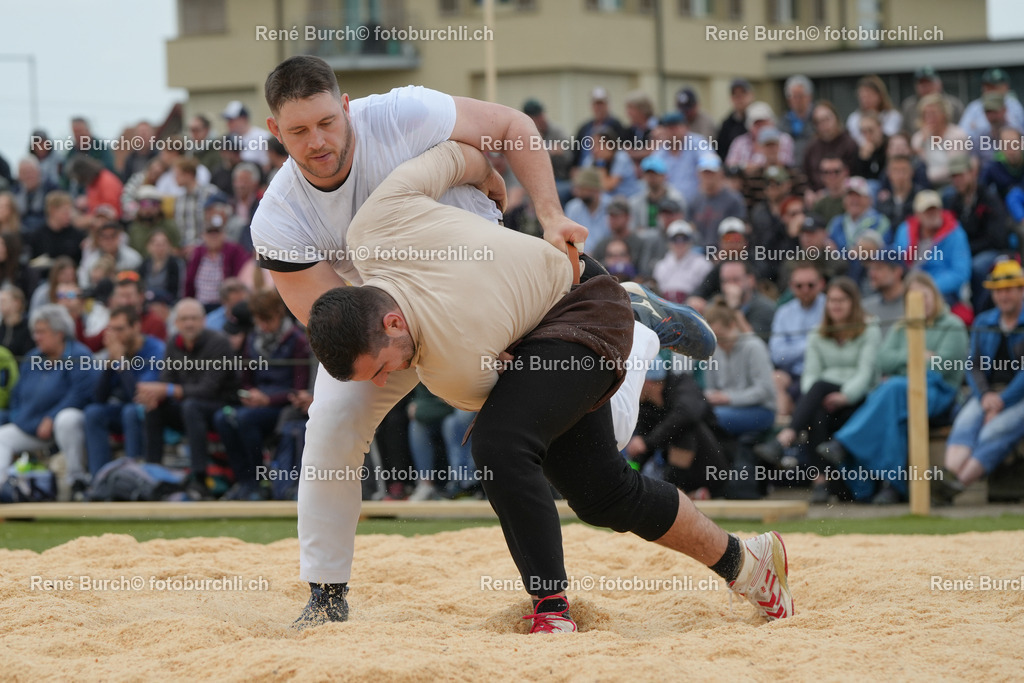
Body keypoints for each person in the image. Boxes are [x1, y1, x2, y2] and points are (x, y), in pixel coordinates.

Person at [248, 56, 693, 626]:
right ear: (274, 132)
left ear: (347, 108)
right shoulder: (280, 219)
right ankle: (326, 595)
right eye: (298, 131)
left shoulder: (402, 114)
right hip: (387, 329)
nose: (317, 141)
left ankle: (632, 329)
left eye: (327, 123)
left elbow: (511, 127)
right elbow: (336, 321)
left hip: (489, 296)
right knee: (332, 424)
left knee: (597, 439)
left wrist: (550, 214)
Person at [304, 140, 790, 631]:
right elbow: (455, 156)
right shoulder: (371, 224)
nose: (389, 380)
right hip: (539, 320)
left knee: (499, 446)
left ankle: (551, 609)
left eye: (382, 368)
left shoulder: (449, 365)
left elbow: (505, 413)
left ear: (390, 323)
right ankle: (747, 563)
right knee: (603, 494)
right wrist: (489, 179)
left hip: (584, 304)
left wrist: (516, 205)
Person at [818, 272, 968, 504]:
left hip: (939, 393)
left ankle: (844, 444)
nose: (921, 301)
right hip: (900, 393)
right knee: (895, 415)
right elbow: (883, 360)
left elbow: (944, 365)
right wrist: (919, 356)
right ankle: (891, 487)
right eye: (913, 296)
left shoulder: (953, 326)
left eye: (924, 295)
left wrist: (907, 362)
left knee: (893, 388)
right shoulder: (901, 327)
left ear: (934, 296)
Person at [754, 277, 881, 503]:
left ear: (853, 303)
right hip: (824, 398)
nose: (836, 305)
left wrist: (845, 396)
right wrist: (821, 396)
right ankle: (823, 482)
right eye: (832, 300)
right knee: (817, 411)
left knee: (819, 388)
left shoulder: (869, 328)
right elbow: (810, 374)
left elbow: (866, 373)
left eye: (842, 300)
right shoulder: (817, 332)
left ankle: (785, 438)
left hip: (859, 396)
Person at [938, 260, 1024, 502]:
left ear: (1021, 291)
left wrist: (1002, 401)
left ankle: (956, 486)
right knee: (965, 422)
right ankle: (948, 478)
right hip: (987, 394)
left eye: (1009, 289)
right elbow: (972, 366)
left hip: (1016, 396)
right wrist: (985, 397)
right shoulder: (984, 321)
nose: (1003, 295)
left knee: (996, 430)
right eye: (998, 290)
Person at [214, 289, 310, 501]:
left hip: (282, 406)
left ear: (279, 313)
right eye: (260, 320)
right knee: (223, 418)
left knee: (244, 420)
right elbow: (246, 380)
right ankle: (245, 481)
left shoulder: (298, 341)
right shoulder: (252, 339)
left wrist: (268, 399)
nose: (264, 326)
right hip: (256, 402)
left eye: (268, 320)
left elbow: (298, 388)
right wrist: (248, 394)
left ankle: (259, 482)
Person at [138, 298, 239, 498]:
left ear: (203, 321)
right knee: (154, 407)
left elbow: (209, 389)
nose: (189, 324)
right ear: (176, 323)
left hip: (220, 405)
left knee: (191, 406)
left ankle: (199, 478)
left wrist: (167, 391)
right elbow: (166, 380)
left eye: (193, 319)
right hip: (189, 408)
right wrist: (155, 396)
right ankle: (153, 473)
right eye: (184, 319)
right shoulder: (173, 343)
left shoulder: (219, 342)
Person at [0, 304, 96, 498]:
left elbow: (81, 394)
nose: (36, 337)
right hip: (32, 425)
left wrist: (51, 417)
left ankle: (77, 482)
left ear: (59, 333)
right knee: (3, 436)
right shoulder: (33, 357)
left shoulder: (80, 355)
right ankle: (3, 490)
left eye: (42, 332)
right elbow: (17, 395)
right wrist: (20, 417)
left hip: (67, 424)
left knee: (66, 419)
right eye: (35, 332)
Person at [83, 305, 165, 475]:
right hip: (123, 410)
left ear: (136, 327)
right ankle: (99, 478)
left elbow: (139, 396)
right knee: (93, 412)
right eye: (111, 330)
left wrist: (120, 362)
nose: (114, 336)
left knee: (131, 411)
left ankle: (133, 476)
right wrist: (108, 366)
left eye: (119, 329)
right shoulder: (117, 350)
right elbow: (98, 397)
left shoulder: (156, 350)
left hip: (151, 413)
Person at [943, 155, 1009, 313]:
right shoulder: (953, 202)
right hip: (963, 252)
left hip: (990, 251)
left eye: (960, 175)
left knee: (977, 267)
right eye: (954, 177)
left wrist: (964, 250)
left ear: (972, 173)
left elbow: (997, 238)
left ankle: (979, 313)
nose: (957, 180)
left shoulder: (988, 198)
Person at [891, 190, 971, 306]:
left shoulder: (955, 233)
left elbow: (960, 272)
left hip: (942, 291)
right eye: (927, 211)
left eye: (935, 209)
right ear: (917, 214)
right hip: (908, 286)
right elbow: (896, 261)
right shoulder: (904, 230)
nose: (932, 214)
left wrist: (928, 287)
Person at [770, 263, 826, 417]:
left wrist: (794, 348)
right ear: (791, 286)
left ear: (821, 284)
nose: (805, 290)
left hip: (820, 371)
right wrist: (811, 344)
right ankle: (782, 428)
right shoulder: (784, 312)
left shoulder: (830, 307)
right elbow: (777, 355)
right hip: (792, 372)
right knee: (775, 379)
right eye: (799, 286)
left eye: (810, 285)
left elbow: (827, 349)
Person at [687, 153, 746, 246]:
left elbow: (738, 232)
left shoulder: (733, 200)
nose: (708, 177)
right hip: (698, 252)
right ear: (698, 174)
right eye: (705, 172)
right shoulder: (694, 200)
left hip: (725, 252)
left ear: (721, 173)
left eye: (712, 172)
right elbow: (690, 229)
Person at [911, 94, 969, 188]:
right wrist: (924, 140)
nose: (929, 117)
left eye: (933, 113)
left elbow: (953, 168)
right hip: (925, 184)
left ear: (944, 114)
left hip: (951, 184)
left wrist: (928, 176)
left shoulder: (958, 135)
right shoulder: (918, 137)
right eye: (926, 114)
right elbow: (917, 161)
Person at [803, 102, 858, 192]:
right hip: (816, 194)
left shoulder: (849, 144)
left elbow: (854, 175)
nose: (824, 125)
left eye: (826, 119)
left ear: (836, 118)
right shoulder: (811, 147)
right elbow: (806, 174)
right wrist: (809, 191)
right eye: (819, 122)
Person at [651, 220, 712, 303]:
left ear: (690, 241)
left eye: (684, 239)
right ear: (669, 242)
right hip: (665, 305)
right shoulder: (661, 266)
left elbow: (707, 291)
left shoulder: (702, 264)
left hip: (691, 307)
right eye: (675, 239)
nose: (680, 243)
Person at [900, 67, 964, 137]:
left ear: (939, 84)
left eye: (929, 83)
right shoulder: (908, 106)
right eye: (922, 84)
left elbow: (963, 127)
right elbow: (904, 132)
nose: (926, 87)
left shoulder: (954, 104)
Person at [573, 87, 626, 168]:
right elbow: (576, 151)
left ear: (607, 105)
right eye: (596, 104)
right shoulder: (584, 128)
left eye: (601, 104)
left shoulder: (616, 126)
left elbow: (620, 149)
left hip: (606, 169)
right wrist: (574, 167)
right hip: (585, 168)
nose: (598, 107)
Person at [846, 75, 902, 146]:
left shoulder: (893, 116)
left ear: (880, 95)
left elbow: (889, 138)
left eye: (869, 95)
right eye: (862, 96)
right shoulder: (853, 118)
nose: (865, 100)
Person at [861, 252, 907, 335]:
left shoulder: (914, 305)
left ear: (897, 272)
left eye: (878, 268)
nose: (872, 274)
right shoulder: (866, 307)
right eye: (871, 269)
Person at [222, 100, 271, 170]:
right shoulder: (230, 138)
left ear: (243, 119)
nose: (228, 124)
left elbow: (267, 165)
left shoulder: (262, 136)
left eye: (231, 120)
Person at [779, 75, 815, 166]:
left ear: (809, 97)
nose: (797, 100)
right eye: (794, 97)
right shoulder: (783, 121)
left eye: (800, 96)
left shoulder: (817, 118)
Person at [716, 78, 754, 162]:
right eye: (735, 95)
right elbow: (721, 152)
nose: (739, 98)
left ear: (751, 95)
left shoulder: (760, 120)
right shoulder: (727, 125)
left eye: (743, 93)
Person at [0, 286, 32, 357]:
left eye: (3, 301)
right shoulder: (1, 327)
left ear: (17, 303)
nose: (0, 304)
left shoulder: (29, 327)